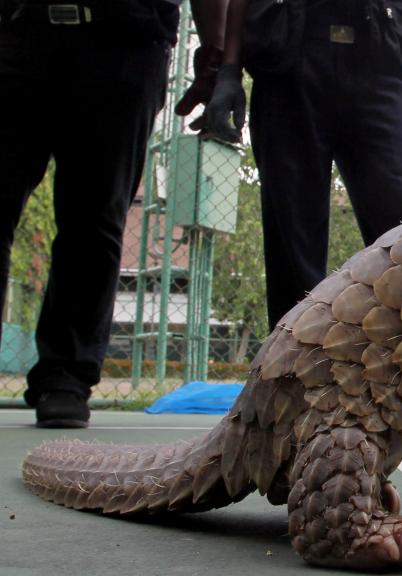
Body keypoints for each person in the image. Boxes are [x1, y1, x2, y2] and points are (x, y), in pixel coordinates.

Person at [0, 0, 225, 428]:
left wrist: (217, 57)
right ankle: (64, 375)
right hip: (18, 33)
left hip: (125, 42)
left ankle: (65, 376)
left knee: (95, 216)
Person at [205, 0, 402, 333]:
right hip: (288, 70)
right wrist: (229, 71)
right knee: (292, 250)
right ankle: (293, 373)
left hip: (379, 65)